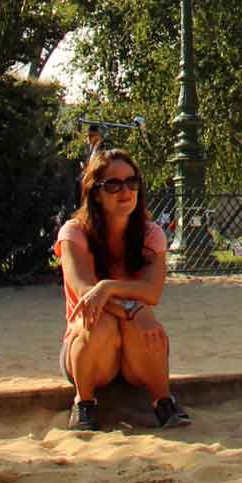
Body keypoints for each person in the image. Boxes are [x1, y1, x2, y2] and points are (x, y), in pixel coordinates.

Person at [54, 146, 192, 433]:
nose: (125, 191)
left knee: (146, 328)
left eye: (132, 182)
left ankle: (163, 401)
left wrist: (109, 288)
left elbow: (151, 292)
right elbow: (84, 292)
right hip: (89, 349)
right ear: (95, 191)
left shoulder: (150, 234)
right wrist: (132, 308)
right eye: (113, 184)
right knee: (99, 324)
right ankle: (84, 402)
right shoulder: (74, 233)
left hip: (133, 356)